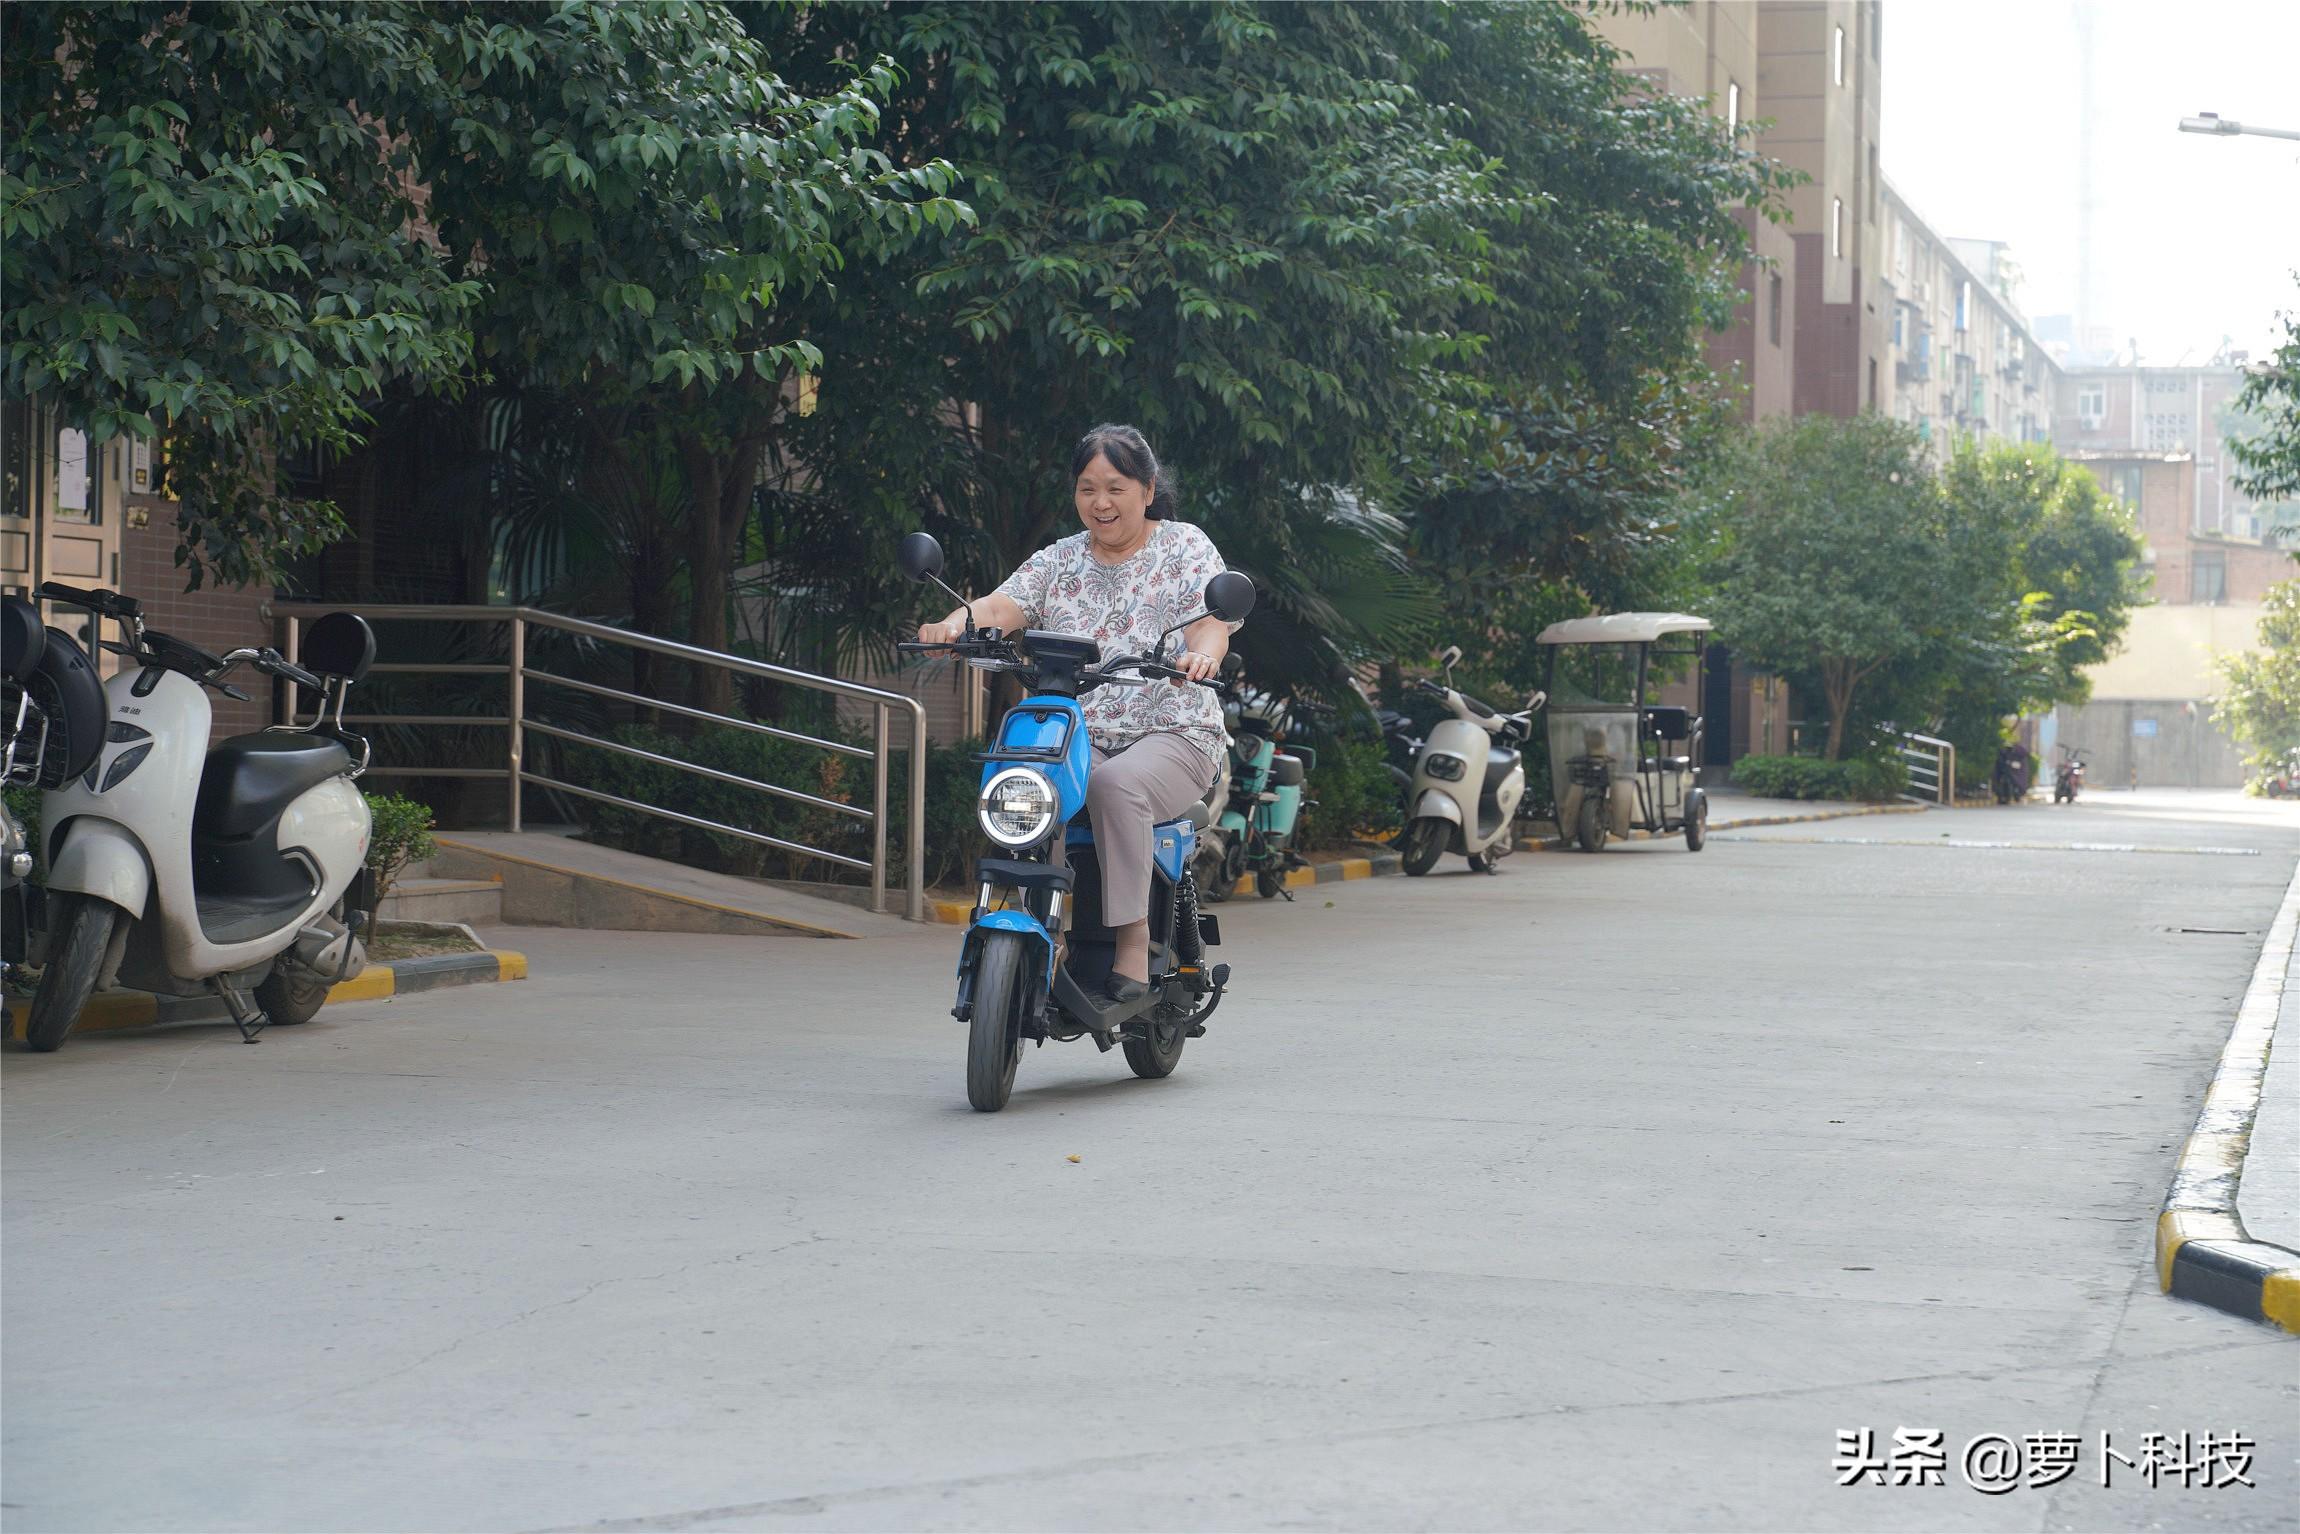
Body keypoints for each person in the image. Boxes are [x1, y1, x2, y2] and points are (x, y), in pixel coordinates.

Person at [917, 424, 1237, 1001]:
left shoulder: (1185, 545)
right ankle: (1047, 927)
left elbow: (1211, 621)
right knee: (1032, 776)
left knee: (1114, 785)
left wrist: (1203, 656)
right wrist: (952, 625)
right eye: (1087, 489)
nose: (1101, 503)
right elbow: (1000, 605)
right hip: (1077, 734)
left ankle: (1132, 943)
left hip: (1172, 730)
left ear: (1146, 488)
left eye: (1115, 488)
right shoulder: (1061, 559)